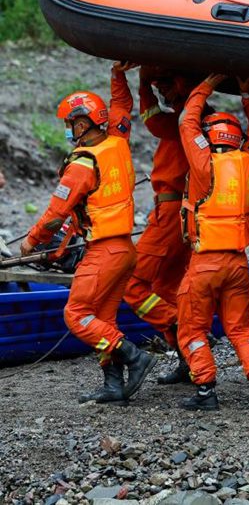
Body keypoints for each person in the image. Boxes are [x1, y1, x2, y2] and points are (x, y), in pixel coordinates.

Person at [21, 62, 156, 405]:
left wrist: (31, 241)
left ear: (81, 124)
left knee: (77, 314)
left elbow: (55, 216)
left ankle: (135, 356)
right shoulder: (119, 142)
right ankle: (113, 385)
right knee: (103, 319)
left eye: (69, 124)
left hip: (104, 251)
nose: (67, 130)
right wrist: (117, 75)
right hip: (125, 248)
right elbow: (122, 107)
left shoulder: (82, 164)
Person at [176, 74, 249, 413]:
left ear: (211, 138)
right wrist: (248, 93)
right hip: (237, 262)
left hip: (205, 262)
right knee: (241, 326)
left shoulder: (204, 163)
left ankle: (205, 391)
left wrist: (207, 83)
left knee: (192, 327)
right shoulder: (248, 159)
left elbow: (186, 122)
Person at [123, 67, 193, 385]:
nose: (161, 91)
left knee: (131, 284)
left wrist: (137, 79)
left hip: (170, 214)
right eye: (158, 86)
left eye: (167, 84)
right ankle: (189, 361)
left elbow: (151, 118)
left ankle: (180, 325)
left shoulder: (184, 121)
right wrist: (146, 80)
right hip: (181, 214)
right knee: (167, 288)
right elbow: (154, 115)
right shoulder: (188, 118)